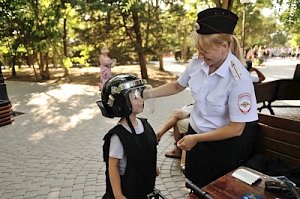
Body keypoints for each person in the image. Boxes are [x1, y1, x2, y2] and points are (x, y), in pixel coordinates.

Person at [144, 7, 259, 189]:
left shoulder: (239, 79)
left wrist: (197, 139)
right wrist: (148, 94)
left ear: (224, 47)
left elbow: (236, 129)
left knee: (215, 190)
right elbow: (176, 86)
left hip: (223, 146)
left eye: (205, 51)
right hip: (196, 135)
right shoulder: (199, 63)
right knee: (193, 185)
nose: (200, 56)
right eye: (199, 50)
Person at [97, 74, 159, 199]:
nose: (141, 99)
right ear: (121, 103)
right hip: (128, 191)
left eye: (141, 95)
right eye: (135, 97)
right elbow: (113, 166)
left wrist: (153, 166)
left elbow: (146, 149)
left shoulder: (144, 124)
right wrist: (118, 195)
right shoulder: (118, 136)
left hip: (143, 187)